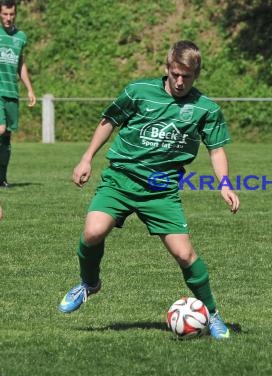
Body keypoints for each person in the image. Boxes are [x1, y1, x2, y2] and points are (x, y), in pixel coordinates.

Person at [58, 40, 240, 340]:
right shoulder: (138, 91)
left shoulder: (205, 109)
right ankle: (89, 284)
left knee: (184, 254)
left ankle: (213, 314)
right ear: (167, 68)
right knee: (92, 232)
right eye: (175, 74)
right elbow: (109, 121)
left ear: (197, 74)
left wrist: (225, 185)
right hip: (120, 179)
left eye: (188, 76)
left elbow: (216, 150)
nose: (180, 82)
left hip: (161, 189)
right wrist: (86, 157)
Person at [0, 0, 36, 188]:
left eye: (11, 14)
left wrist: (29, 89)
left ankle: (2, 178)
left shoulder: (21, 37)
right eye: (5, 14)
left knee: (6, 137)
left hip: (11, 93)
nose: (8, 18)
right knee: (0, 128)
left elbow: (20, 65)